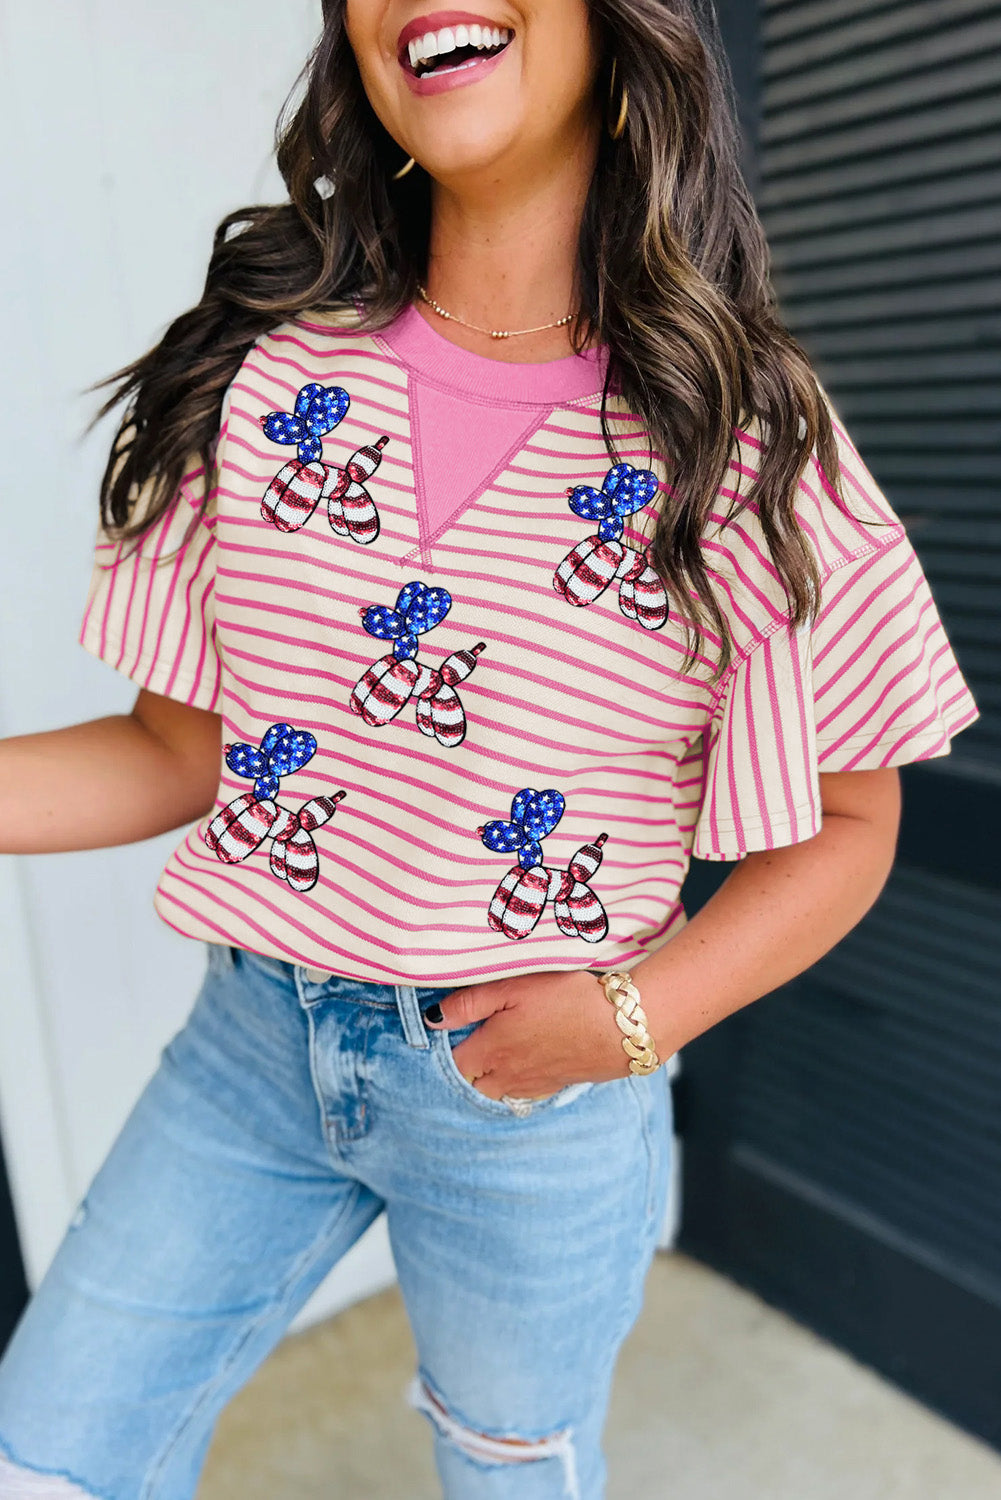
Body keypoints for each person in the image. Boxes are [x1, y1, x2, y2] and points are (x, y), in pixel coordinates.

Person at [0, 1, 980, 1496]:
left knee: (508, 1467)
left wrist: (630, 1023)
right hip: (256, 1042)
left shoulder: (741, 432)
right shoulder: (269, 370)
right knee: (49, 1448)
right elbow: (173, 753)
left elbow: (851, 825)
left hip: (533, 1099)